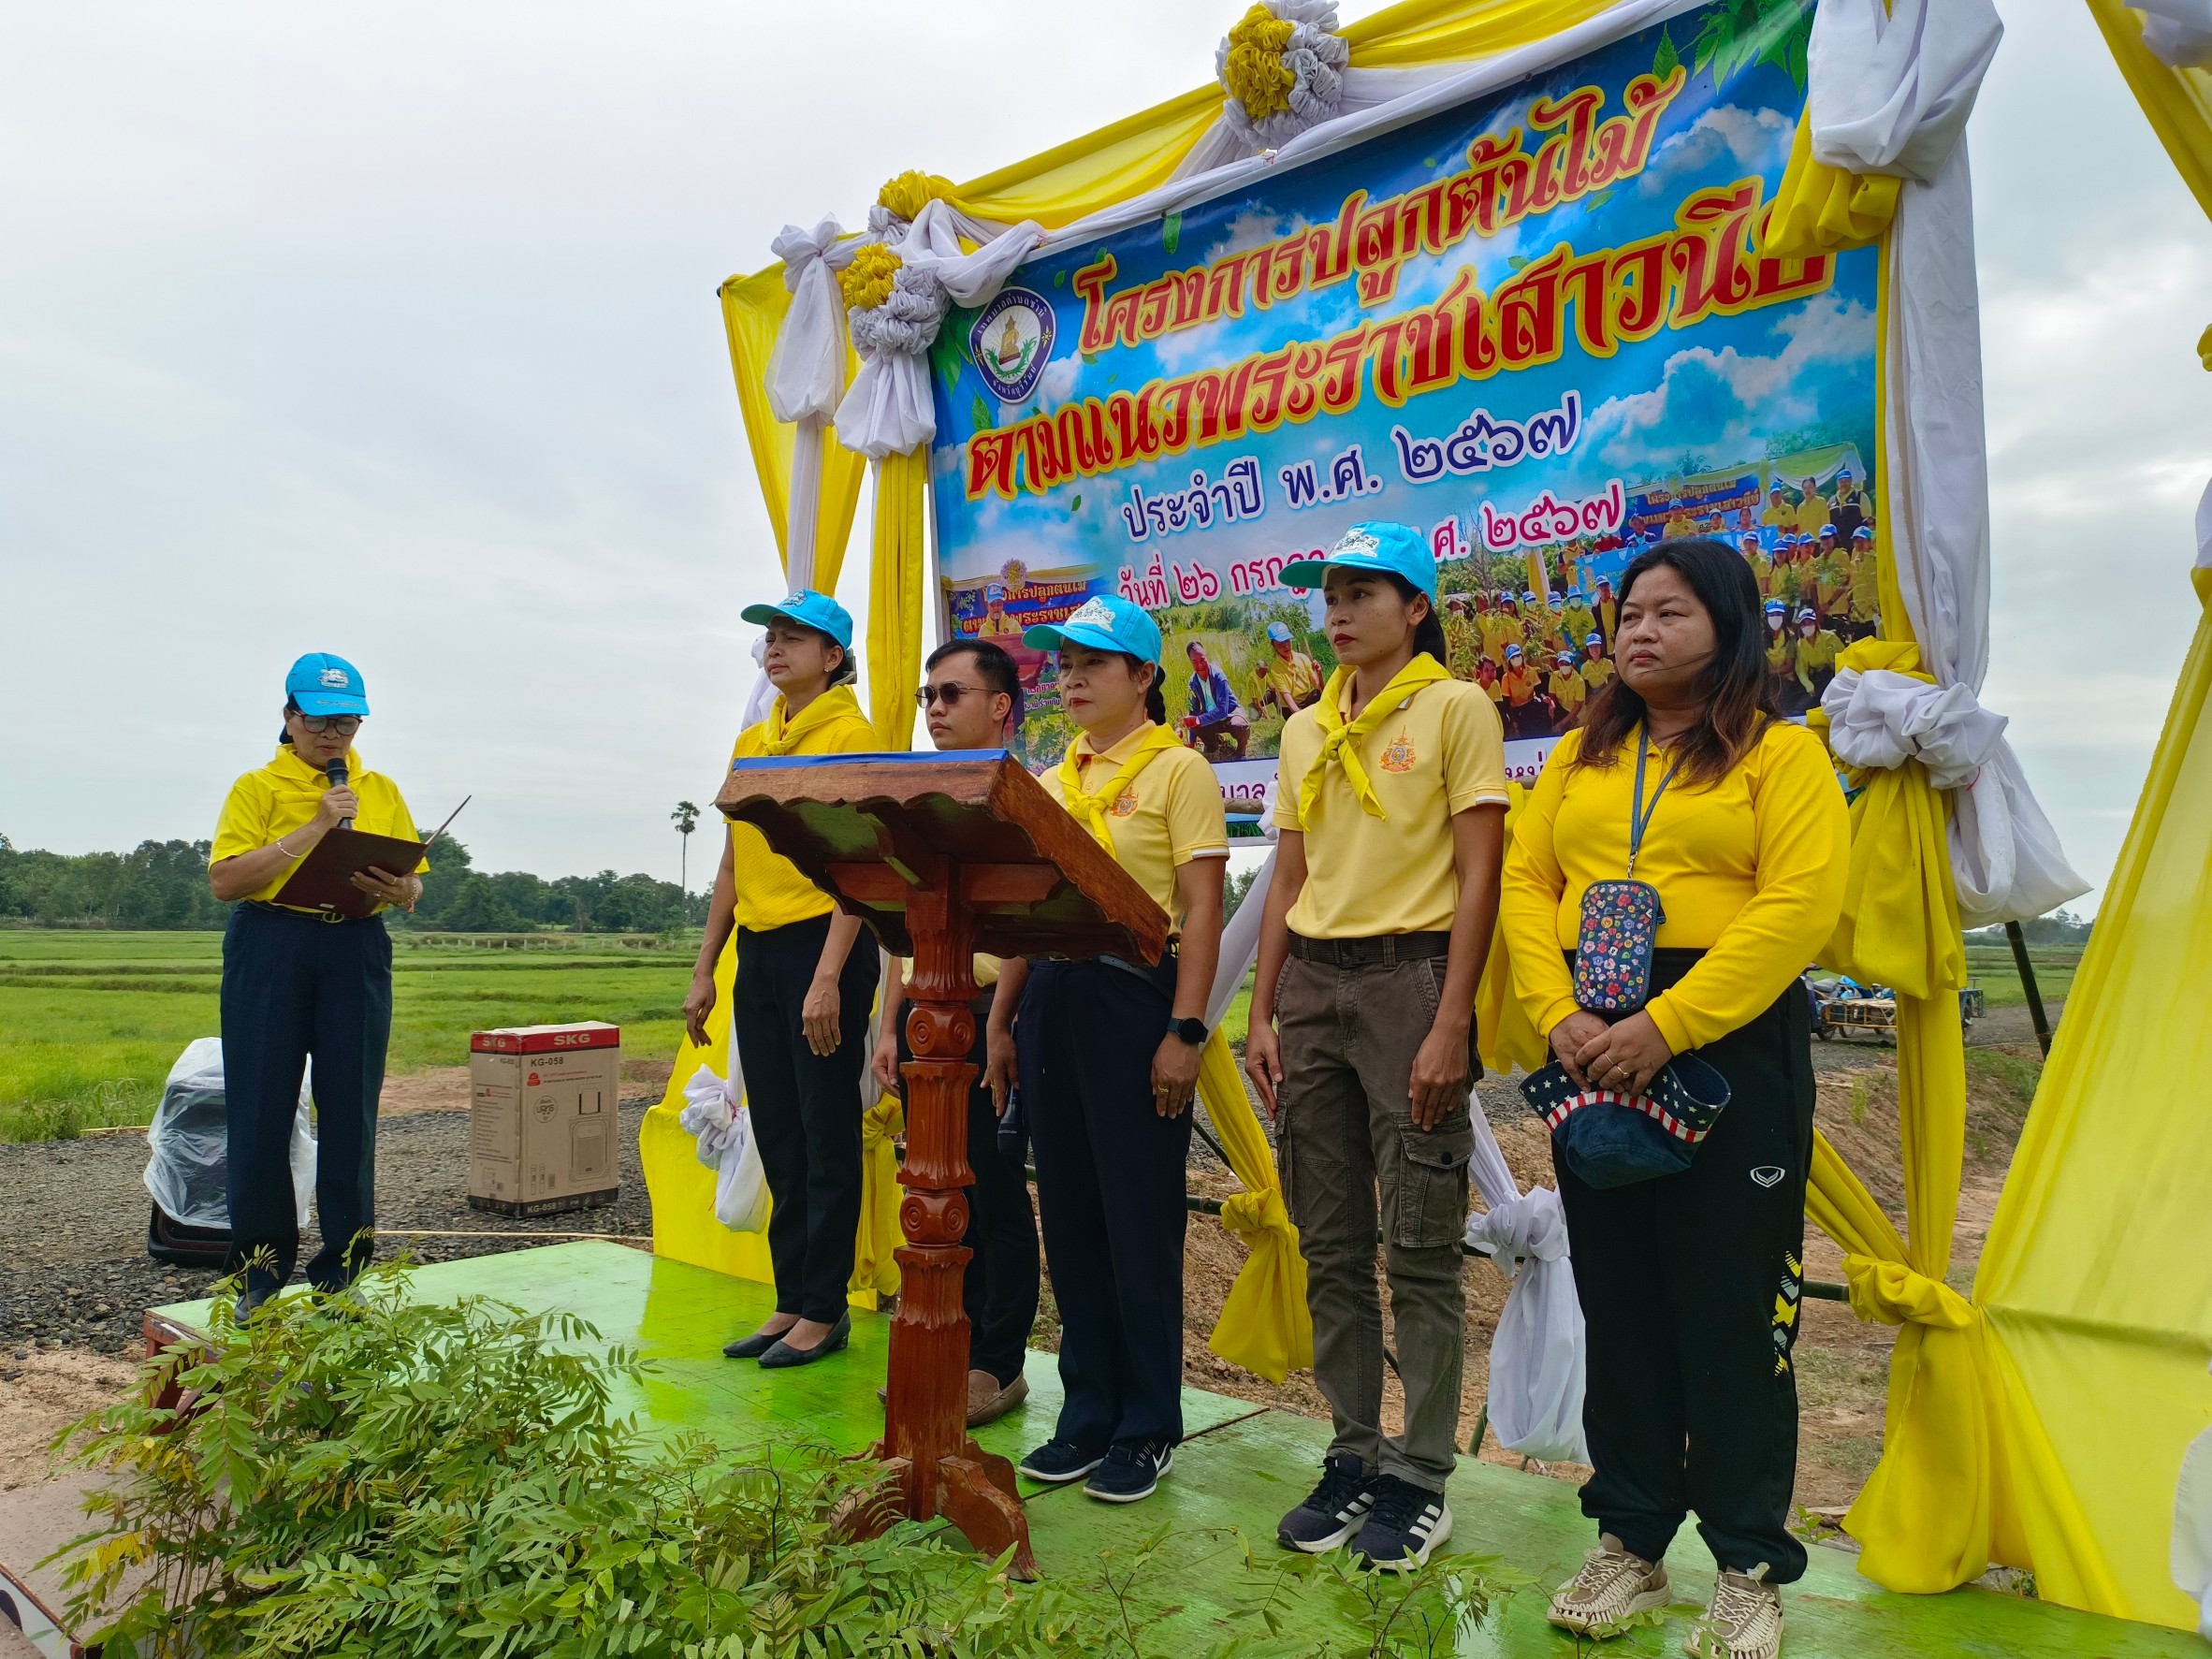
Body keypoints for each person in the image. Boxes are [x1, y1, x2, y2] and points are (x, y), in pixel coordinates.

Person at [1503, 539, 1847, 1659]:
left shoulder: (1782, 754)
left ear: (1732, 624)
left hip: (1724, 1041)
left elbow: (1797, 907)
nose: (1639, 632)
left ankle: (1748, 1566)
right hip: (1593, 1031)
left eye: (1670, 613)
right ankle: (1632, 1540)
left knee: (1733, 1309)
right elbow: (1525, 880)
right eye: (1629, 615)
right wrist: (1560, 1013)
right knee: (1625, 1295)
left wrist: (1670, 1024)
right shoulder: (1578, 757)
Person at [1244, 522, 1506, 1571]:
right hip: (1313, 984)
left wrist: (1452, 1020)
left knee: (1423, 1243)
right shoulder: (1307, 729)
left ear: (1416, 607)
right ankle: (1352, 1454)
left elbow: (1480, 874)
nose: (1339, 611)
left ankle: (1421, 1476)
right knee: (1333, 1240)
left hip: (1413, 980)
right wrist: (1260, 1012)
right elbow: (1288, 877)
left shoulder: (1455, 708)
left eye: (1363, 591)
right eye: (1330, 594)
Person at [984, 593, 1228, 1505]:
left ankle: (1147, 1426)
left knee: (1137, 1221)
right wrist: (1003, 1020)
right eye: (1064, 662)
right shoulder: (1050, 782)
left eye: (1093, 662)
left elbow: (1202, 909)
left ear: (1143, 677)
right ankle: (1085, 1415)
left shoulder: (1178, 773)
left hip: (1137, 1003)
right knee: (1073, 1222)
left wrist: (1187, 1030)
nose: (1072, 677)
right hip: (1052, 999)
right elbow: (1026, 916)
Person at [689, 590, 882, 1370]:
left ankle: (826, 1308)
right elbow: (734, 859)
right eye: (770, 636)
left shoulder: (850, 736)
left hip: (824, 944)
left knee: (825, 1128)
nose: (775, 647)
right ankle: (791, 1296)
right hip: (761, 951)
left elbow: (860, 866)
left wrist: (830, 973)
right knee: (776, 1127)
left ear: (833, 656)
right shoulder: (753, 738)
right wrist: (706, 964)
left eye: (795, 636)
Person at [207, 653, 426, 1319]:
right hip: (271, 943)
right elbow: (226, 881)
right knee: (261, 1109)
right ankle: (259, 1271)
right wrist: (317, 824)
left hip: (354, 945)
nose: (334, 736)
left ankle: (343, 1268)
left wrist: (404, 888)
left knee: (351, 1111)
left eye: (347, 722)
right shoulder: (256, 788)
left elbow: (412, 881)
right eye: (319, 720)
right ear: (289, 718)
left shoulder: (380, 788)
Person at [870, 640, 1040, 1426]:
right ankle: (939, 1344)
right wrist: (887, 1023)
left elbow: (1027, 928)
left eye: (951, 693)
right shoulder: (919, 796)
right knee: (933, 1186)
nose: (934, 708)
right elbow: (899, 926)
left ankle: (996, 1362)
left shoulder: (1023, 793)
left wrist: (1000, 1023)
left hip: (987, 1015)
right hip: (925, 1013)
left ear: (1000, 705)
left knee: (992, 1189)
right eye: (926, 694)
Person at [1183, 639, 1251, 760]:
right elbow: (1193, 712)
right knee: (1195, 724)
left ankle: (1241, 749)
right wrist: (1191, 742)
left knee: (1240, 726)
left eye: (1202, 659)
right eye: (1195, 662)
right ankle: (1213, 743)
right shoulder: (1192, 683)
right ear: (1190, 662)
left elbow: (1223, 710)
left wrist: (1198, 719)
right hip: (1211, 718)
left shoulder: (1219, 676)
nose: (1200, 665)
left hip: (1230, 713)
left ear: (1206, 656)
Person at [1254, 618, 1326, 717]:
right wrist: (1299, 715)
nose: (1286, 646)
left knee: (1317, 695)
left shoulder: (1303, 658)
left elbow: (1320, 689)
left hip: (1306, 701)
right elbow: (1287, 697)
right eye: (1280, 644)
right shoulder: (1276, 669)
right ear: (1273, 645)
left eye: (1287, 641)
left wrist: (1319, 674)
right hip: (1290, 707)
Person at [1791, 607, 1842, 708]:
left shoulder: (1829, 637)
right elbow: (1801, 669)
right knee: (1801, 705)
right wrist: (1808, 684)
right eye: (1804, 624)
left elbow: (1844, 656)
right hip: (1817, 678)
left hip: (1835, 676)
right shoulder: (1801, 644)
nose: (1807, 626)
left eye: (1810, 623)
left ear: (1815, 623)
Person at [1500, 642, 1543, 738]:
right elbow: (1506, 703)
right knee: (1525, 733)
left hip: (1531, 705)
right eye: (1513, 658)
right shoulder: (1506, 678)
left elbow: (1539, 690)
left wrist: (1545, 698)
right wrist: (1513, 720)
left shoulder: (1530, 671)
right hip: (1517, 710)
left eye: (1518, 656)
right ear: (1509, 661)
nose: (1516, 659)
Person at [1844, 527, 1880, 640]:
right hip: (1857, 617)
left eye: (1861, 540)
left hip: (1873, 615)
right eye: (1856, 541)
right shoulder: (1853, 564)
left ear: (1870, 542)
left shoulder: (1877, 561)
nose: (1858, 544)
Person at [1548, 648, 1589, 732]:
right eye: (1561, 663)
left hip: (1577, 713)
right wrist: (1551, 704)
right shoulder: (1554, 676)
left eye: (1566, 663)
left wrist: (1562, 723)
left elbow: (1578, 706)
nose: (1563, 666)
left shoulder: (1579, 681)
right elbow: (1552, 695)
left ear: (1572, 664)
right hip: (1562, 708)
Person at [1579, 631, 1616, 698]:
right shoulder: (1584, 667)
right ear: (1587, 649)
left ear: (1601, 647)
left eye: (1596, 646)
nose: (1594, 649)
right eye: (1591, 646)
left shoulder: (1608, 663)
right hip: (1592, 696)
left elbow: (1611, 683)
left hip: (1607, 695)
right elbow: (1585, 688)